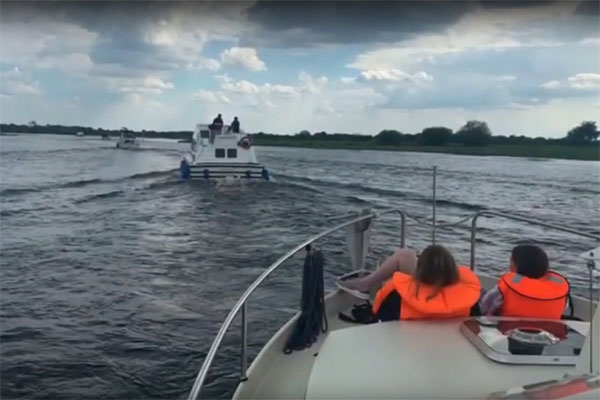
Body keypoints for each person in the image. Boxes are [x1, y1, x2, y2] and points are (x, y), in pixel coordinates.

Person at [371, 245, 481, 321]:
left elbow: (380, 323)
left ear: (419, 269)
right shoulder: (469, 302)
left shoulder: (397, 297)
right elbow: (476, 324)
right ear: (452, 269)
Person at [479, 245, 569, 319]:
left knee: (479, 291)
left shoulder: (506, 288)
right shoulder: (561, 291)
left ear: (515, 266)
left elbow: (484, 308)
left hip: (507, 331)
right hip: (546, 333)